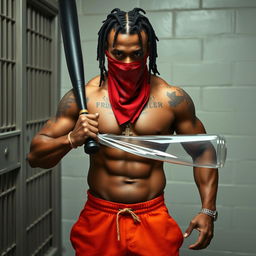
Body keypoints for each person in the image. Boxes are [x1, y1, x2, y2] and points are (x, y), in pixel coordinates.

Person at [28, 8, 218, 256]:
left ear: (148, 52)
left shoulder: (172, 99)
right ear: (105, 51)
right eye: (119, 54)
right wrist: (71, 139)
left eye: (136, 54)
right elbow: (35, 157)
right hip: (99, 216)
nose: (127, 63)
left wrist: (208, 211)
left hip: (152, 216)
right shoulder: (84, 98)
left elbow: (204, 151)